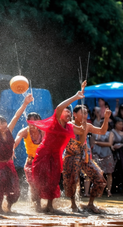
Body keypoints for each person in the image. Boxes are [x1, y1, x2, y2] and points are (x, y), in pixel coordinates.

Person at [28, 81, 87, 213]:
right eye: (67, 112)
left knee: (53, 181)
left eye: (70, 113)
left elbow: (82, 134)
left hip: (55, 157)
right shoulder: (56, 122)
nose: (69, 114)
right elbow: (60, 107)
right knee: (39, 179)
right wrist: (76, 97)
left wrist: (84, 125)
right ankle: (37, 206)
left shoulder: (70, 126)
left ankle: (49, 205)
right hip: (43, 154)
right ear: (60, 114)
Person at [0, 94, 33, 213]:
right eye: (1, 123)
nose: (5, 124)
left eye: (4, 122)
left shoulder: (9, 129)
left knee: (14, 189)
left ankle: (8, 207)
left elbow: (16, 115)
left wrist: (25, 103)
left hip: (9, 165)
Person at [63, 105, 110, 213]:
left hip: (84, 156)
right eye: (82, 113)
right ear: (74, 114)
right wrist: (84, 128)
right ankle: (73, 204)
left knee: (100, 179)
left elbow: (102, 131)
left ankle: (90, 204)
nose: (85, 115)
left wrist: (106, 118)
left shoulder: (87, 125)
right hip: (71, 156)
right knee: (72, 179)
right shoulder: (69, 125)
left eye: (86, 113)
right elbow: (79, 138)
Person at [13, 112, 44, 211]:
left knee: (42, 184)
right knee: (33, 183)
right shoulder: (24, 132)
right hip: (30, 162)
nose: (33, 124)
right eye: (31, 122)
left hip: (42, 162)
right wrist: (12, 148)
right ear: (27, 122)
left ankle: (44, 204)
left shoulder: (43, 132)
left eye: (36, 122)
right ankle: (37, 205)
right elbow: (15, 141)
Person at [91, 120, 115, 198]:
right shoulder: (96, 132)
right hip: (97, 153)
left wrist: (97, 143)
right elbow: (92, 141)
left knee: (109, 173)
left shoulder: (110, 133)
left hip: (107, 154)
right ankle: (98, 190)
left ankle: (109, 191)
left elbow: (109, 143)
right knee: (98, 173)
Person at [110, 117, 123, 196]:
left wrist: (121, 145)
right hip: (115, 154)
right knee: (113, 172)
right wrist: (113, 147)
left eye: (122, 124)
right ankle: (111, 190)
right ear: (115, 124)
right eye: (120, 124)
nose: (121, 125)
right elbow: (110, 144)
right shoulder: (112, 132)